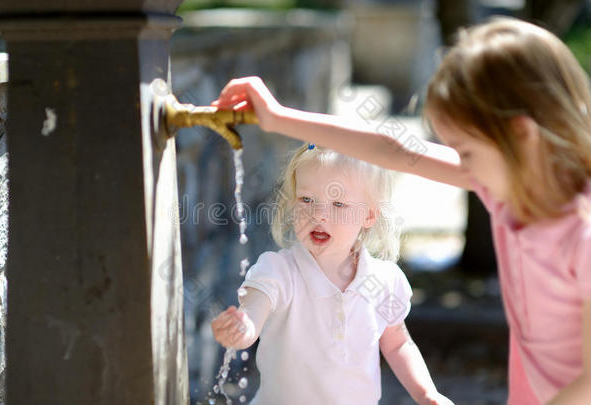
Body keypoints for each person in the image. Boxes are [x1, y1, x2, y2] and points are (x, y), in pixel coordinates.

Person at [210, 17, 591, 405]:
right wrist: (279, 118)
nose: (462, 166)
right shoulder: (510, 191)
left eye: (468, 152)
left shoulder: (582, 233)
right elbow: (400, 152)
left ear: (522, 136)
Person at [211, 143, 454, 405]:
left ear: (369, 215)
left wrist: (426, 393)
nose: (318, 214)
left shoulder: (384, 281)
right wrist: (243, 328)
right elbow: (254, 310)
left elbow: (397, 344)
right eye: (306, 199)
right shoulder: (279, 271)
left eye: (338, 203)